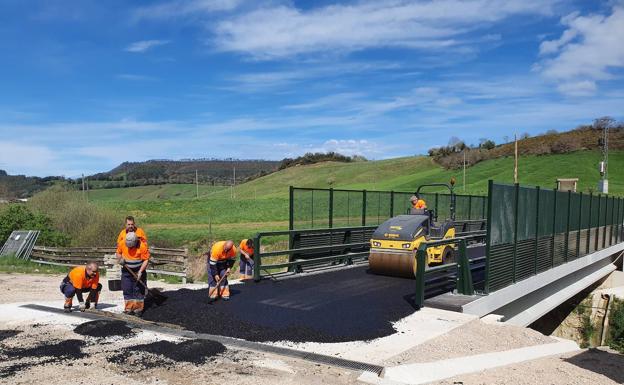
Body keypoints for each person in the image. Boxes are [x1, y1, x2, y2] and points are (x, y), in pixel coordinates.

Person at [116, 227, 150, 316]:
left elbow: (146, 260)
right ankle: (128, 308)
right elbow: (118, 253)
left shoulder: (142, 246)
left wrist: (140, 272)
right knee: (127, 289)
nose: (130, 248)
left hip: (138, 269)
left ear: (135, 242)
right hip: (126, 270)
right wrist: (120, 259)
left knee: (138, 290)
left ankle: (138, 309)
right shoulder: (122, 242)